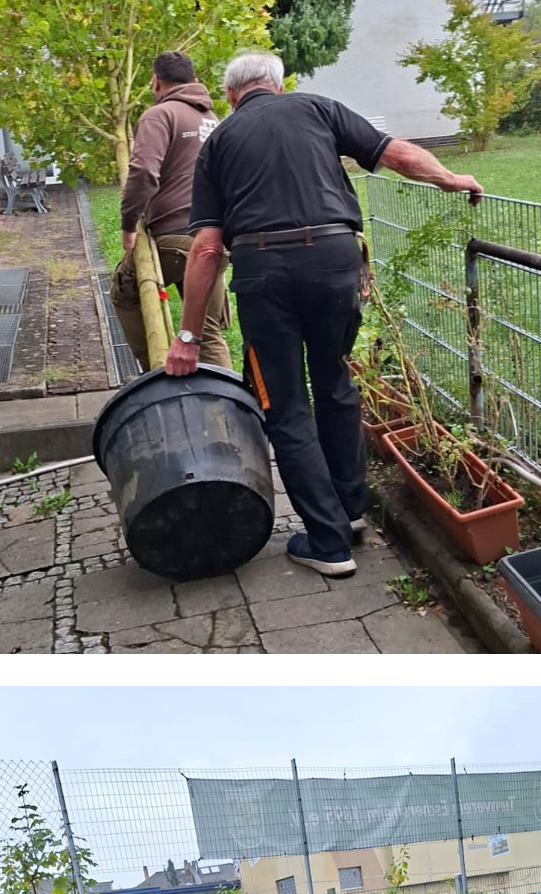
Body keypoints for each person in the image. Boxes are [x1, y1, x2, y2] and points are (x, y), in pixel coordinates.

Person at [174, 50, 484, 578]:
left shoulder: (219, 141)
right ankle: (349, 510)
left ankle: (328, 542)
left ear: (231, 95)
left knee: (287, 404)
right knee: (335, 381)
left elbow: (206, 249)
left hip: (264, 272)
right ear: (277, 84)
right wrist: (450, 178)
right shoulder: (319, 108)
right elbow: (397, 154)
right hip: (336, 262)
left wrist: (186, 335)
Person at [111, 51, 233, 373]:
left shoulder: (159, 115)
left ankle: (156, 373)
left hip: (176, 240)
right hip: (214, 240)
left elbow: (143, 173)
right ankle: (228, 405)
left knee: (126, 292)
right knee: (207, 333)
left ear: (156, 81)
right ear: (194, 80)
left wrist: (128, 223)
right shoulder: (213, 119)